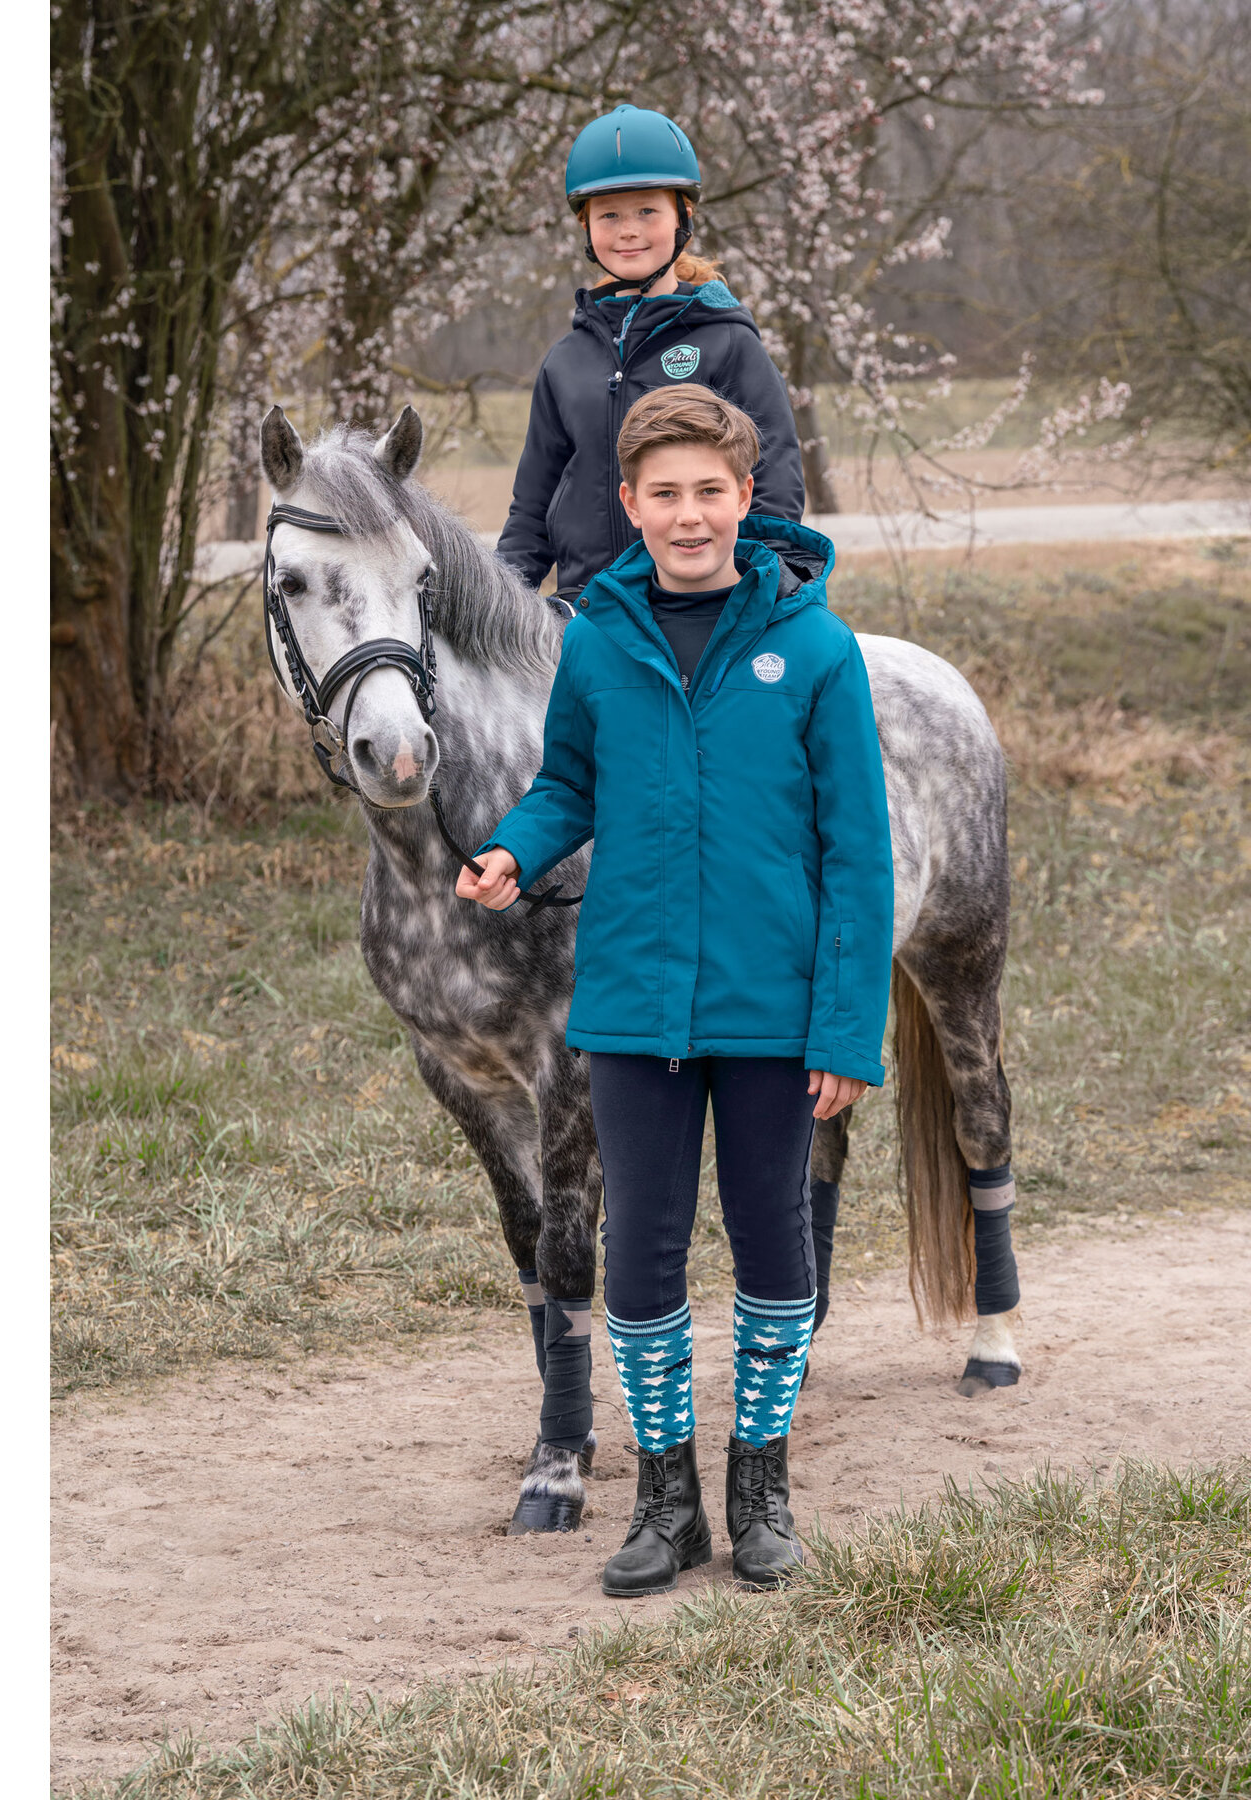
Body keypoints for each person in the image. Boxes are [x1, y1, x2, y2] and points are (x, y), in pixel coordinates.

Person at [457, 386, 893, 1597]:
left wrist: (845, 1030)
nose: (689, 514)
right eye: (665, 494)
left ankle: (760, 1494)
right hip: (635, 1008)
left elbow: (858, 856)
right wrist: (512, 848)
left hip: (772, 1015)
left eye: (711, 491)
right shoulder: (597, 638)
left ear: (746, 501)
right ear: (628, 505)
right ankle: (665, 1505)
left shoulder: (813, 648)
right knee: (641, 1260)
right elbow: (568, 784)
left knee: (773, 1249)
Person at [495, 103, 805, 611]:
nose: (628, 230)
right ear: (587, 227)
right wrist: (496, 602)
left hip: (704, 605)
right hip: (589, 609)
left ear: (682, 217)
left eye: (646, 211)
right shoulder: (565, 362)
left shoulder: (726, 342)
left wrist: (762, 589)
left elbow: (774, 475)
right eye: (609, 215)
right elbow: (531, 506)